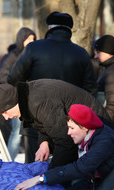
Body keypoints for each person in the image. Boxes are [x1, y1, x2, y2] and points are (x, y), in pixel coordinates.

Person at [7, 11, 98, 163]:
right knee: (66, 169)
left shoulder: (33, 49)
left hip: (35, 117)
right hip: (70, 122)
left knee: (34, 167)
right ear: (69, 30)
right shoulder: (81, 54)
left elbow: (14, 78)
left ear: (49, 28)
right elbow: (90, 91)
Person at [0, 79, 114, 169]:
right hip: (84, 135)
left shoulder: (38, 102)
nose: (6, 118)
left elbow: (65, 141)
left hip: (96, 133)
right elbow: (48, 124)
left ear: (13, 103)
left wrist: (49, 175)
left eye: (5, 112)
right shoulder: (28, 97)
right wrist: (45, 143)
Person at [0, 27, 36, 161]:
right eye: (29, 39)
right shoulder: (12, 57)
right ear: (21, 40)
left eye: (33, 39)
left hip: (30, 98)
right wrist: (18, 86)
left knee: (31, 131)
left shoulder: (33, 55)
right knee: (17, 132)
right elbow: (3, 77)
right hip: (15, 100)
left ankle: (31, 160)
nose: (32, 42)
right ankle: (8, 160)